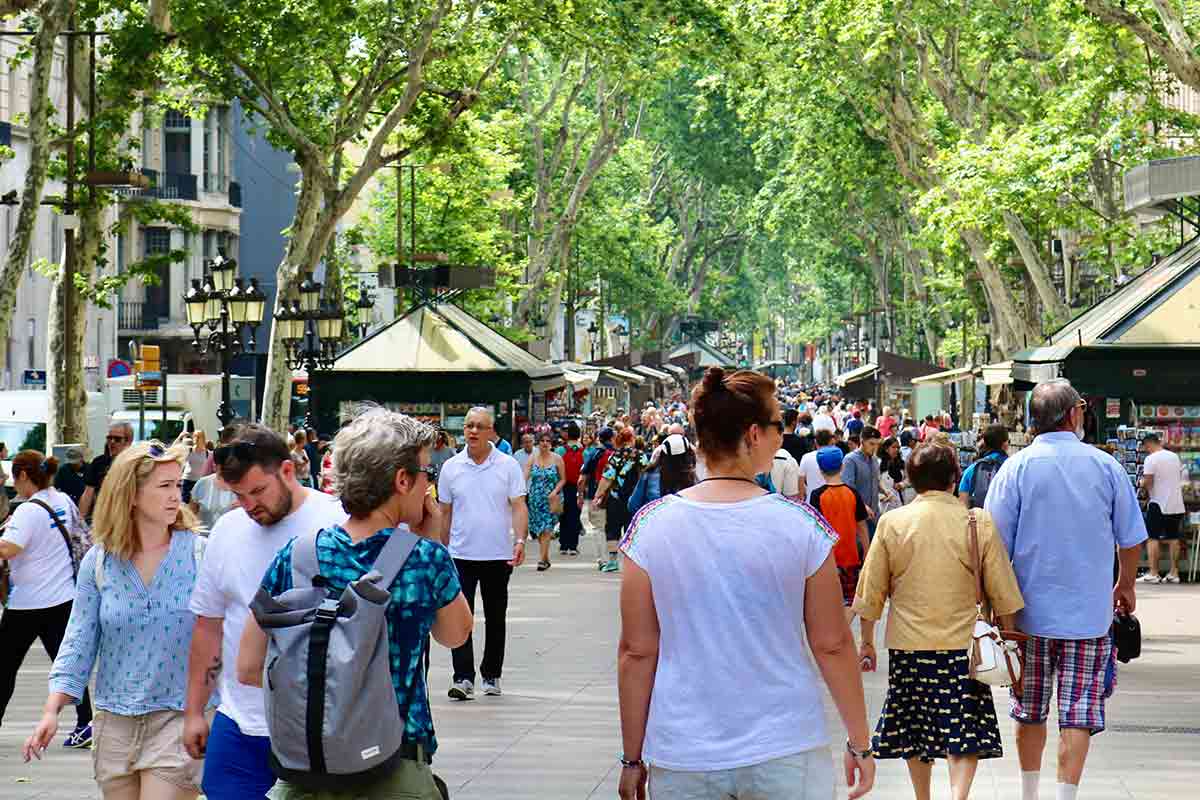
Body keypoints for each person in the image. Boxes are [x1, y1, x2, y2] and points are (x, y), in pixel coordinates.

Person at [617, 367, 874, 800]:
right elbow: (831, 643)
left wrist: (632, 758)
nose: (781, 436)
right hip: (787, 748)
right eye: (777, 425)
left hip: (686, 752)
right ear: (754, 434)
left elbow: (636, 651)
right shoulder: (802, 527)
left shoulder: (650, 527)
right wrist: (859, 742)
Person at [237, 407, 473, 800]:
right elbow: (456, 634)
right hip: (395, 769)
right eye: (425, 475)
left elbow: (247, 666)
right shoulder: (424, 560)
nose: (428, 488)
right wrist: (429, 542)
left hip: (306, 771)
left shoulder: (297, 556)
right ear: (402, 480)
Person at [984, 379, 1147, 800]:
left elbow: (994, 544)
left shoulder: (1015, 469)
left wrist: (998, 610)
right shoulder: (1105, 466)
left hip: (1027, 619)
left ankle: (1029, 793)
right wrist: (1125, 584)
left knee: (1030, 710)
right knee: (1078, 715)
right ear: (1074, 414)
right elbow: (1131, 538)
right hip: (1089, 618)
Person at [26, 441, 209, 798]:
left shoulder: (201, 555)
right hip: (114, 724)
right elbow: (79, 639)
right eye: (164, 486)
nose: (177, 495)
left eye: (178, 484)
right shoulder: (100, 562)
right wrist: (52, 710)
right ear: (132, 494)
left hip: (178, 717)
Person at [184, 424, 348, 800]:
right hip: (239, 724)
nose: (249, 505)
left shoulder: (336, 522)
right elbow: (209, 625)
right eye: (239, 496)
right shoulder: (227, 530)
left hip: (317, 728)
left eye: (258, 491)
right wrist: (194, 710)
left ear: (288, 471)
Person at [854, 440, 1025, 800]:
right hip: (964, 648)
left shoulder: (893, 522)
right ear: (954, 478)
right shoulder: (976, 522)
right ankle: (958, 796)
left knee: (915, 728)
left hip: (909, 646)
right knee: (963, 730)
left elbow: (871, 591)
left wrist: (867, 640)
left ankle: (922, 797)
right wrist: (1011, 636)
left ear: (913, 480)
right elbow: (1003, 590)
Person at [0, 450, 94, 747]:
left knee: (4, 667)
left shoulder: (28, 510)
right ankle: (85, 722)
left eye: (15, 478)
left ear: (24, 475)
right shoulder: (62, 499)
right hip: (63, 598)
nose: (14, 485)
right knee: (67, 664)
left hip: (27, 604)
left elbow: (9, 549)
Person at [437, 407, 528, 700]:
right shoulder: (451, 467)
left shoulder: (507, 465)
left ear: (491, 432)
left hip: (498, 555)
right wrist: (441, 550)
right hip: (460, 555)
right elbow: (445, 512)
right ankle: (463, 677)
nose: (473, 432)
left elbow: (518, 506)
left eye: (479, 427)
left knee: (496, 616)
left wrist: (521, 541)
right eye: (468, 426)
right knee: (460, 618)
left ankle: (491, 674)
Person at [808, 447, 870, 622]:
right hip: (851, 557)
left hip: (827, 559)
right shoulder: (852, 493)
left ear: (820, 470)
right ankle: (845, 627)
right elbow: (862, 527)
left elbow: (815, 529)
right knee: (851, 600)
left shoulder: (817, 495)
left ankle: (836, 629)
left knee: (829, 600)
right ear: (842, 467)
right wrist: (866, 551)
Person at [1139, 432, 1186, 584]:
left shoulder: (1151, 459)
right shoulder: (1174, 457)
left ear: (1148, 444)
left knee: (1153, 538)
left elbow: (1148, 481)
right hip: (1176, 503)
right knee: (1173, 538)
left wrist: (1141, 484)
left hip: (1158, 503)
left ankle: (1153, 572)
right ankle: (1174, 573)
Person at [593, 428, 641, 573]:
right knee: (631, 529)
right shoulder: (641, 456)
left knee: (612, 528)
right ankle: (631, 562)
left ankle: (613, 561)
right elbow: (645, 474)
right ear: (632, 439)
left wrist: (598, 495)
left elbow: (607, 478)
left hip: (616, 498)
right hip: (634, 498)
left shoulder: (614, 456)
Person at [627, 433, 697, 515]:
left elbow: (633, 505)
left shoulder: (650, 473)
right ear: (688, 454)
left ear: (663, 453)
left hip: (653, 525)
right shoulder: (694, 478)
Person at [524, 431, 565, 572]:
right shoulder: (532, 458)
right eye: (542, 441)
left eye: (548, 441)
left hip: (551, 498)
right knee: (539, 530)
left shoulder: (557, 459)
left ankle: (541, 560)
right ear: (538, 443)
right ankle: (546, 558)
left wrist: (555, 491)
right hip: (535, 499)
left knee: (547, 528)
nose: (545, 443)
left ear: (551, 444)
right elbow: (524, 477)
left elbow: (563, 479)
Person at [80, 421, 135, 518]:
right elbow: (88, 493)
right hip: (103, 518)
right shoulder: (98, 462)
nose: (112, 442)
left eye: (117, 439)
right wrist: (81, 519)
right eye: (109, 438)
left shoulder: (136, 463)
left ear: (129, 441)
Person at [579, 427, 615, 565]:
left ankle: (602, 559)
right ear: (612, 438)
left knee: (598, 527)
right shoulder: (617, 453)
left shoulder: (593, 453)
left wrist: (580, 495)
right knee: (612, 527)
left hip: (596, 495)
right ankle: (613, 559)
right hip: (614, 495)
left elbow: (582, 477)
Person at [842, 426, 882, 536]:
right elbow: (848, 488)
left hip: (874, 513)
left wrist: (885, 491)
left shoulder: (874, 459)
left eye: (877, 444)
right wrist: (863, 506)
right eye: (871, 444)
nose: (874, 448)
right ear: (862, 441)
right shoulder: (850, 460)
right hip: (858, 516)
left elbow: (875, 480)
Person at [958, 424, 1009, 509]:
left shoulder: (972, 469)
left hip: (979, 519)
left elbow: (964, 505)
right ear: (1005, 444)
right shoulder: (1011, 467)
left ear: (984, 443)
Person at [556, 422, 586, 556]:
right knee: (575, 515)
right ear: (579, 435)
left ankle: (563, 545)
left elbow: (555, 469)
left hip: (563, 486)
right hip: (579, 486)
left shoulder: (560, 450)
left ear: (568, 435)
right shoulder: (585, 451)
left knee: (563, 515)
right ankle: (573, 546)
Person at [798, 429, 836, 502]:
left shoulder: (806, 457)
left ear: (815, 442)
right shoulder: (834, 457)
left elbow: (800, 480)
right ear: (830, 442)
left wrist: (802, 496)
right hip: (830, 500)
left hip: (811, 500)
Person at [878, 436, 907, 513]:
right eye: (893, 447)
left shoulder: (901, 463)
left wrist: (902, 484)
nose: (896, 450)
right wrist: (881, 496)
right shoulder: (879, 463)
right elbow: (875, 483)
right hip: (885, 505)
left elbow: (908, 479)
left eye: (898, 447)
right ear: (886, 449)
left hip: (901, 502)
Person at [180, 430, 211, 504]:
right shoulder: (189, 450)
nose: (196, 438)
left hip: (200, 482)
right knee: (184, 503)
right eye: (195, 436)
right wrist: (180, 437)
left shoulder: (207, 453)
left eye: (199, 437)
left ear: (203, 439)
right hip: (188, 480)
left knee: (198, 504)